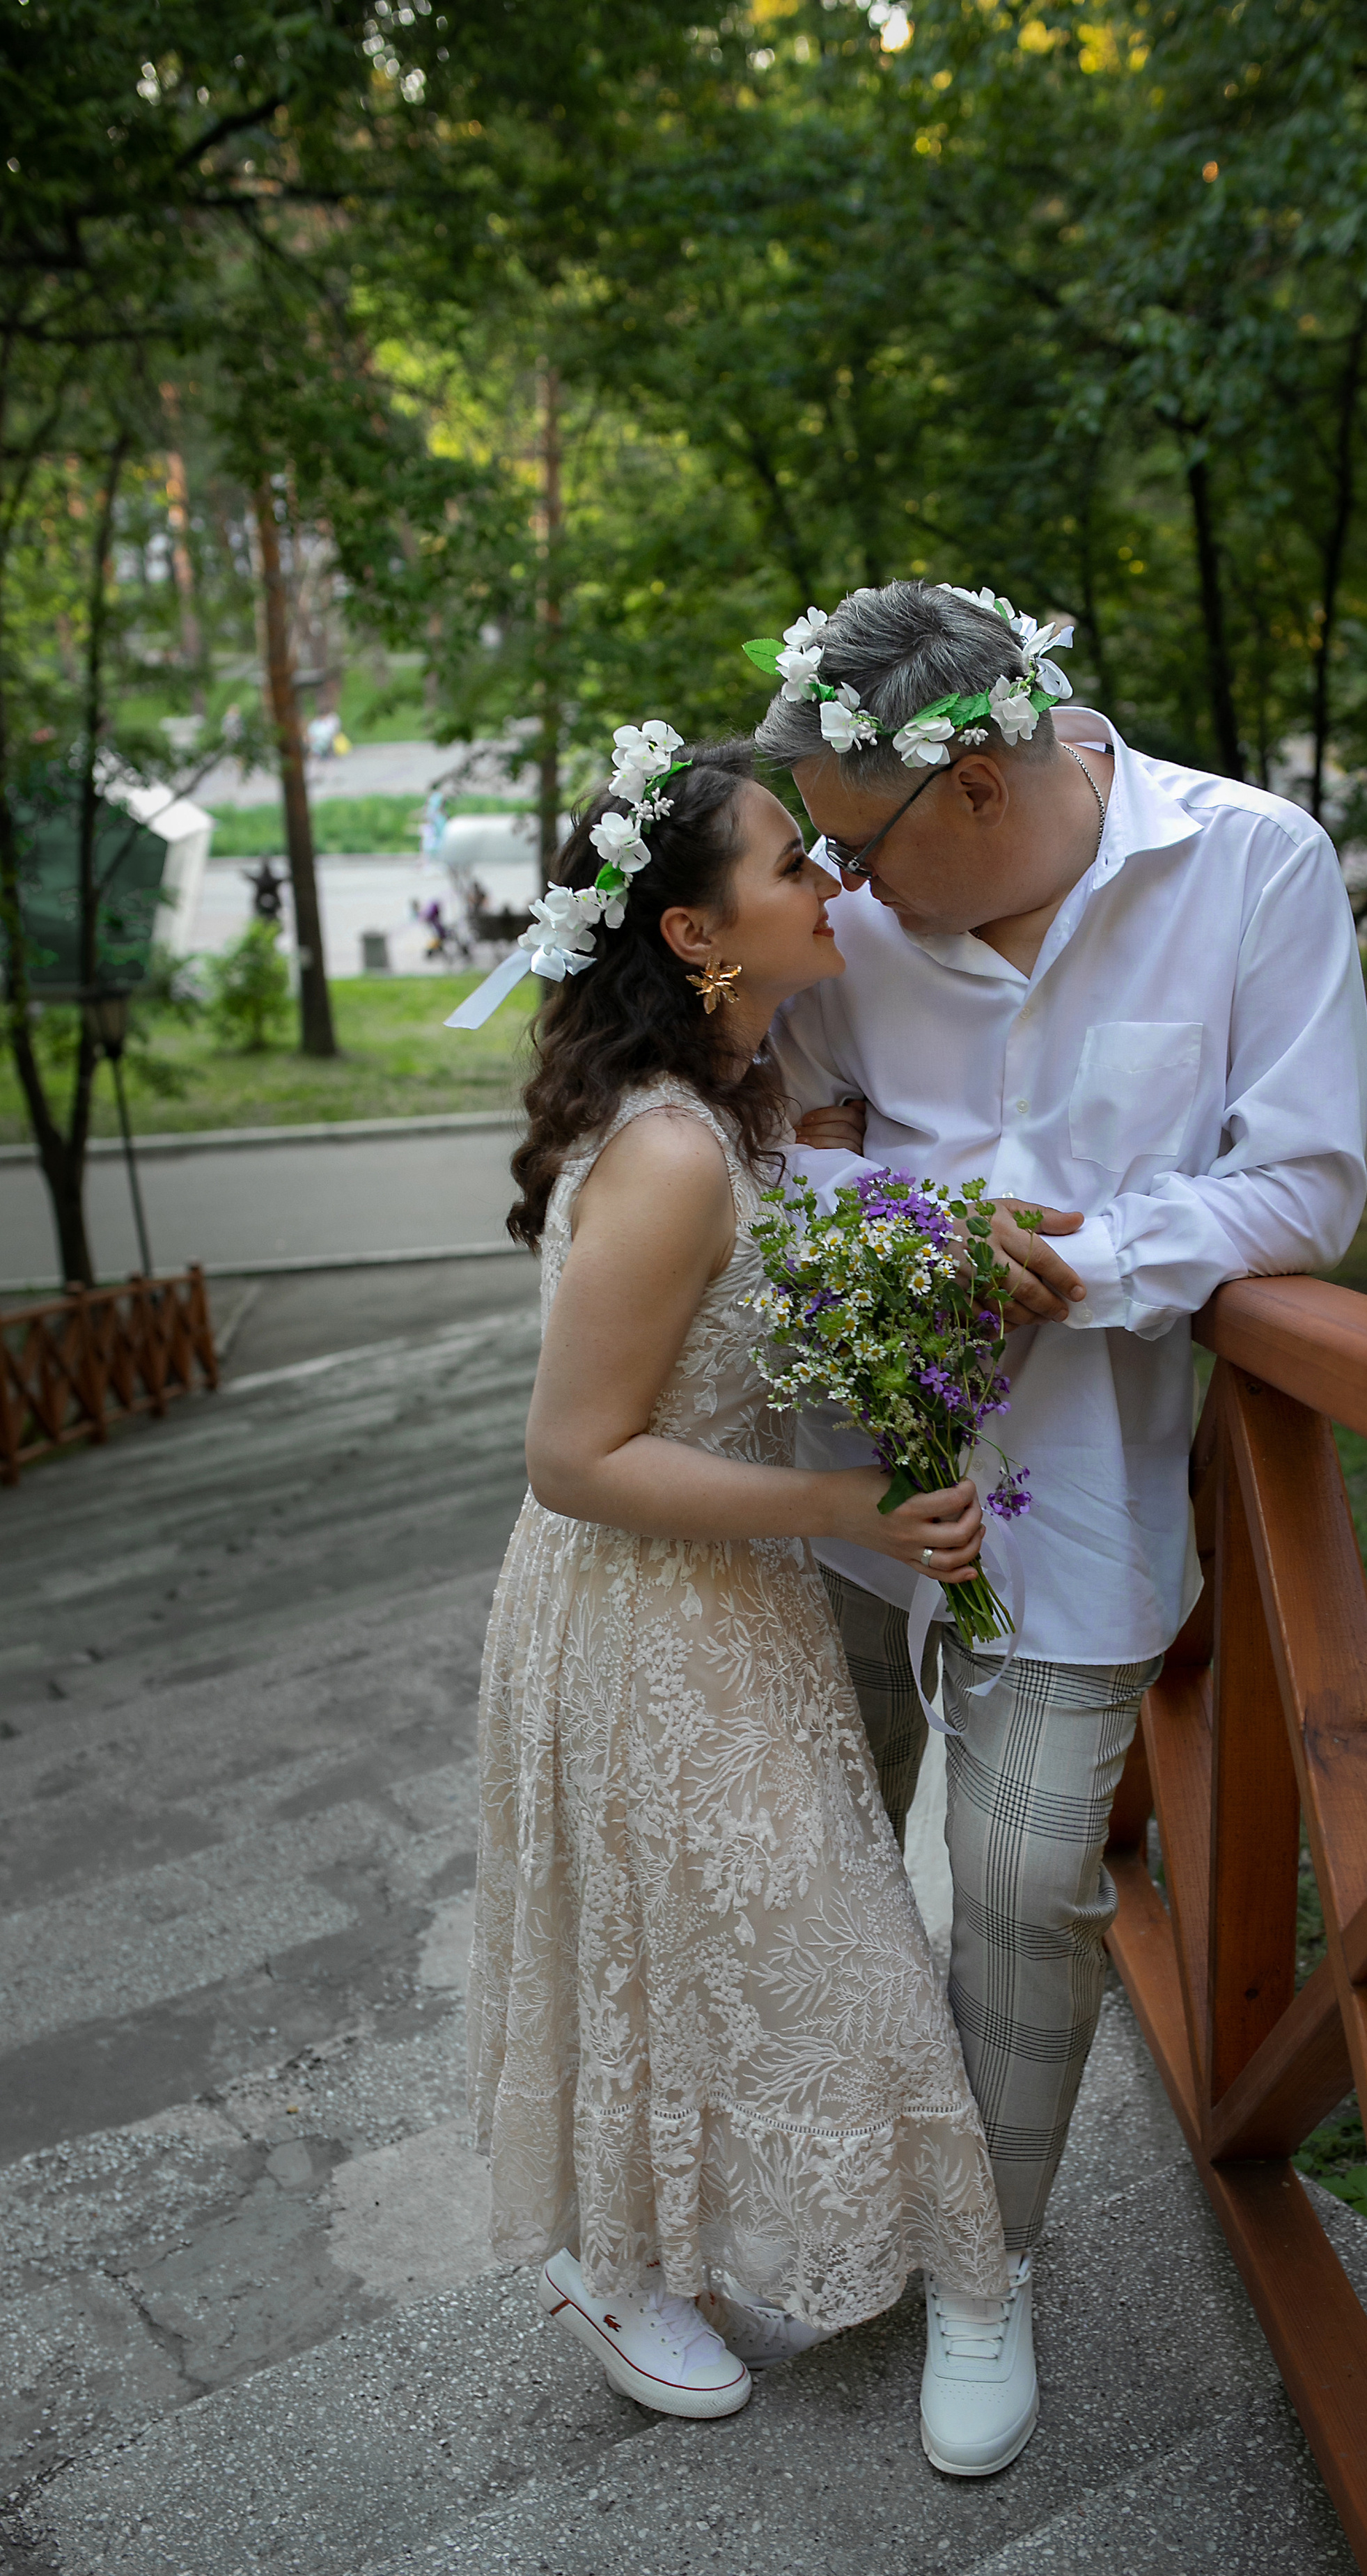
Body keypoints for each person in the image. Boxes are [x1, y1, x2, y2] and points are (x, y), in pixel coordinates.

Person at [757, 579, 1367, 2479]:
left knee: (1027, 1882)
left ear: (982, 791)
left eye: (851, 850)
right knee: (817, 1829)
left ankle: (984, 2268)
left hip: (1087, 1479)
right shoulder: (854, 901)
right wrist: (868, 1215)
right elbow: (782, 1105)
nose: (830, 892)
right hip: (842, 1476)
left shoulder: (1253, 866)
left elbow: (1310, 1185)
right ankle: (837, 2199)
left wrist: (1099, 1260)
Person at [463, 726, 1008, 2435]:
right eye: (791, 863)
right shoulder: (673, 1151)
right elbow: (572, 1455)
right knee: (702, 1940)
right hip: (638, 1612)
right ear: (695, 937)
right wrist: (843, 1503)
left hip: (723, 1600)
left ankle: (673, 2243)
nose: (828, 878)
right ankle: (614, 2264)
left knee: (743, 1938)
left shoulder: (731, 1110)